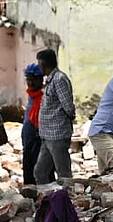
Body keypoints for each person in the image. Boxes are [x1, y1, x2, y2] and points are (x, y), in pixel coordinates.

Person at [35, 48, 75, 183]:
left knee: (63, 174)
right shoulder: (50, 80)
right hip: (47, 135)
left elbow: (68, 107)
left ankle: (68, 201)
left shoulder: (59, 79)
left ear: (43, 64)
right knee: (40, 172)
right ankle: (47, 200)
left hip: (57, 134)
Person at [21, 64, 44, 184]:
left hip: (39, 142)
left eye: (33, 79)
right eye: (28, 79)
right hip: (28, 143)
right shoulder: (31, 97)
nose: (30, 82)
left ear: (40, 79)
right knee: (28, 176)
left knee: (41, 174)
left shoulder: (44, 97)